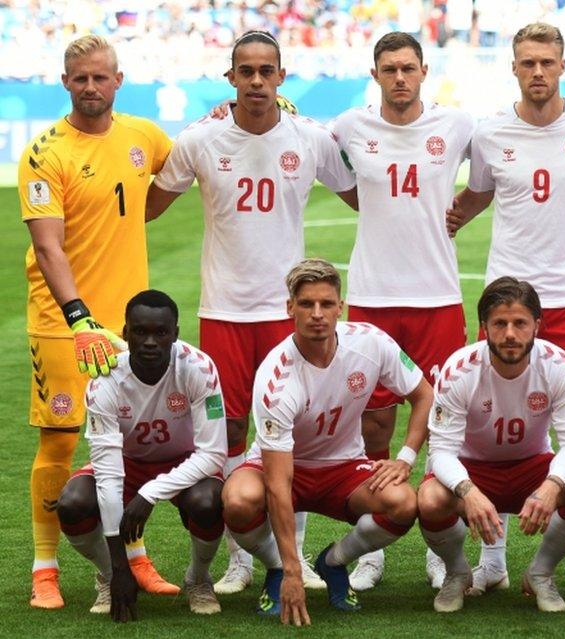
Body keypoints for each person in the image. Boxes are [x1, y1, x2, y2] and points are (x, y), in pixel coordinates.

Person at [145, 30, 358, 593]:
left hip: (290, 313)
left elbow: (363, 193)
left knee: (295, 428)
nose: (257, 80)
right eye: (247, 71)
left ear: (281, 77)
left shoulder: (309, 138)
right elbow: (149, 205)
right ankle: (244, 556)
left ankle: (297, 556)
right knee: (232, 427)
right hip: (225, 309)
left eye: (268, 71)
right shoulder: (200, 139)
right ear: (231, 78)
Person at [446, 20, 565, 598]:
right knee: (491, 419)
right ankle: (494, 558)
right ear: (513, 66)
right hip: (508, 297)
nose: (537, 72)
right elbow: (477, 194)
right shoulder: (489, 135)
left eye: (546, 63)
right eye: (526, 62)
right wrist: (441, 222)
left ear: (562, 66)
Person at [19, 34, 176, 609]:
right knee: (61, 439)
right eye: (80, 78)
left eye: (100, 77)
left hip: (132, 326)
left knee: (131, 446)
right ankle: (44, 569)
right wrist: (80, 317)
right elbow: (49, 247)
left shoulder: (143, 135)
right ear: (65, 82)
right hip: (65, 324)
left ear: (117, 80)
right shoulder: (44, 152)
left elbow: (171, 179)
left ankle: (130, 560)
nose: (91, 87)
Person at [329, 31, 473, 591]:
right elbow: (339, 179)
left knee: (443, 420)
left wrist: (459, 211)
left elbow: (492, 171)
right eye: (389, 69)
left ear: (423, 70)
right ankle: (374, 543)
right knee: (374, 419)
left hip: (438, 296)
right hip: (372, 293)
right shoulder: (348, 126)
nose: (399, 78)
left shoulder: (456, 125)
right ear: (375, 74)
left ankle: (441, 544)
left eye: (408, 68)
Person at [220, 258, 432, 625]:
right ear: (290, 308)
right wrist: (290, 571)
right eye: (306, 304)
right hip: (284, 468)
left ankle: (333, 561)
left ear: (340, 307)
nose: (317, 314)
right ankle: (274, 568)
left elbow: (425, 396)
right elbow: (278, 482)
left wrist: (405, 458)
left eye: (326, 304)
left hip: (344, 466)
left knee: (402, 502)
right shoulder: (275, 378)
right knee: (238, 500)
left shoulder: (371, 343)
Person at [418, 277, 565, 613]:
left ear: (537, 326)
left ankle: (541, 573)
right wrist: (468, 491)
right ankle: (457, 573)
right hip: (473, 469)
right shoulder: (459, 370)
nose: (511, 334)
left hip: (532, 466)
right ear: (484, 326)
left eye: (520, 323)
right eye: (500, 323)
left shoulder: (560, 366)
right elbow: (441, 450)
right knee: (430, 499)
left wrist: (551, 486)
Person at [56, 290, 227, 621]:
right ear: (125, 333)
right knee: (73, 503)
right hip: (128, 464)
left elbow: (213, 454)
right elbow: (106, 473)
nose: (150, 342)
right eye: (140, 332)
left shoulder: (198, 368)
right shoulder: (104, 381)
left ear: (175, 334)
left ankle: (198, 578)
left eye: (160, 333)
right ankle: (107, 577)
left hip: (185, 461)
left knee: (208, 501)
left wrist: (150, 494)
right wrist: (121, 567)